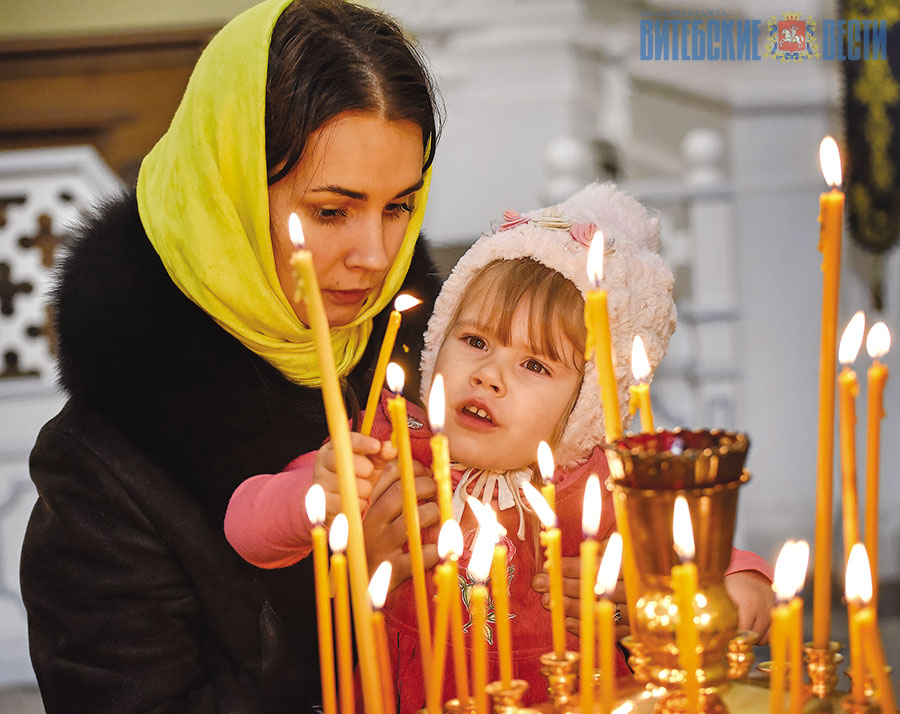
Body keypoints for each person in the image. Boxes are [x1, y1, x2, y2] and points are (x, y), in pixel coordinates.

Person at [19, 1, 444, 712]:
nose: (376, 258)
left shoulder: (445, 359)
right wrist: (348, 597)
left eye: (398, 206)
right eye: (333, 211)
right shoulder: (100, 471)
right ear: (231, 195)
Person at [224, 182, 776, 712]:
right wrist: (316, 497)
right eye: (475, 341)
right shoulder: (389, 444)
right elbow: (245, 526)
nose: (489, 375)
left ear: (587, 402)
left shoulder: (607, 484)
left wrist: (738, 587)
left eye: (535, 364)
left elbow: (711, 558)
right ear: (438, 340)